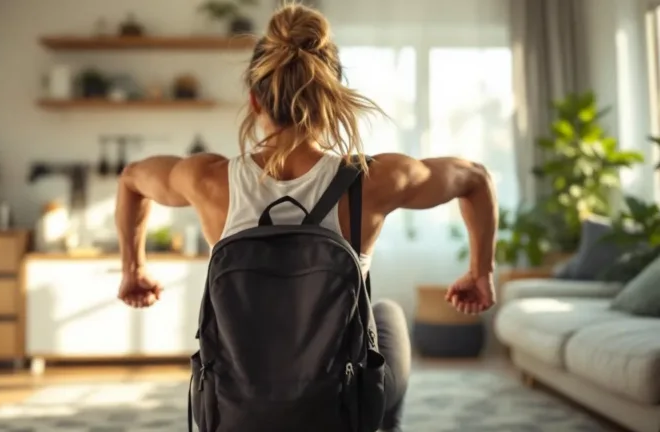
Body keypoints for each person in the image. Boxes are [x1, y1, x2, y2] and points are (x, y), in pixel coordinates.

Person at [115, 4, 498, 431]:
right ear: (330, 93)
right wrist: (480, 272)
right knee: (386, 311)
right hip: (336, 412)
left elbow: (131, 179)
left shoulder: (208, 180)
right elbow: (475, 178)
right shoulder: (372, 180)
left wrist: (134, 270)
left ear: (254, 99)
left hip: (237, 414)